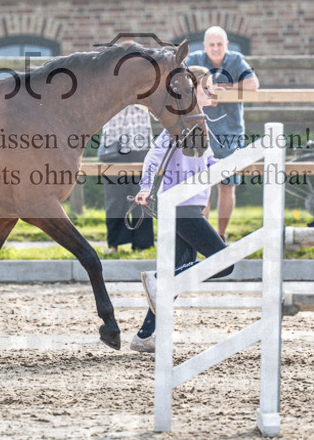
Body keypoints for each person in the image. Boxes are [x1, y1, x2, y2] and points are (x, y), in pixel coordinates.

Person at [129, 66, 232, 353]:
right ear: (191, 91)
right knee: (224, 263)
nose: (212, 91)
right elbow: (153, 158)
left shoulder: (199, 126)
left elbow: (209, 165)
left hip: (191, 207)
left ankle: (144, 336)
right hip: (180, 207)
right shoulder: (177, 127)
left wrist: (231, 164)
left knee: (178, 273)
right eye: (206, 87)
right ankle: (160, 281)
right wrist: (145, 187)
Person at [186, 26, 259, 240]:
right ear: (205, 46)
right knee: (203, 186)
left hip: (231, 132)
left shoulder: (236, 60)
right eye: (212, 44)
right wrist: (209, 90)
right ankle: (205, 238)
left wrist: (227, 89)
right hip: (201, 131)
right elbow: (180, 82)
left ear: (226, 45)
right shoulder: (195, 59)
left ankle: (220, 235)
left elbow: (253, 84)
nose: (216, 48)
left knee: (227, 185)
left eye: (220, 44)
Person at [98, 104, 154, 253]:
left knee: (142, 197)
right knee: (115, 199)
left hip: (140, 142)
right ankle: (115, 244)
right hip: (113, 143)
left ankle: (143, 245)